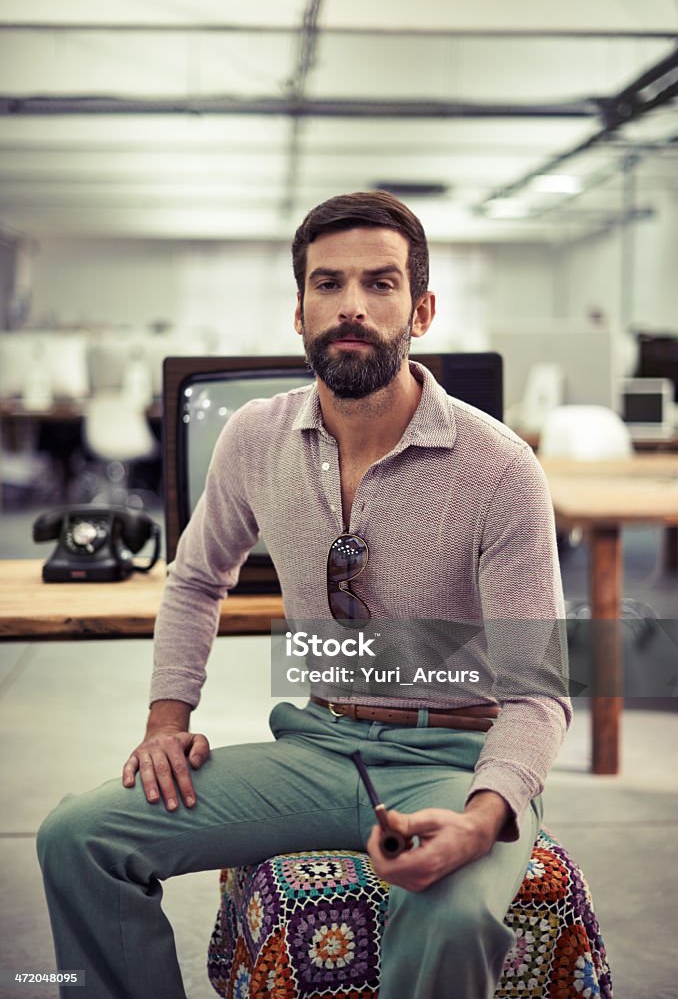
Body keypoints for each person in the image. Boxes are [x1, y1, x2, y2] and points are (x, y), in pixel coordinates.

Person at [37, 191, 571, 999]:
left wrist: (481, 814)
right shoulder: (255, 435)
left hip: (455, 761)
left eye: (380, 284)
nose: (351, 306)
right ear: (299, 310)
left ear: (421, 309)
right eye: (327, 284)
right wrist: (165, 721)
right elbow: (194, 579)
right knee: (77, 837)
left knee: (453, 916)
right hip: (320, 745)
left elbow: (537, 691)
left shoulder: (499, 468)